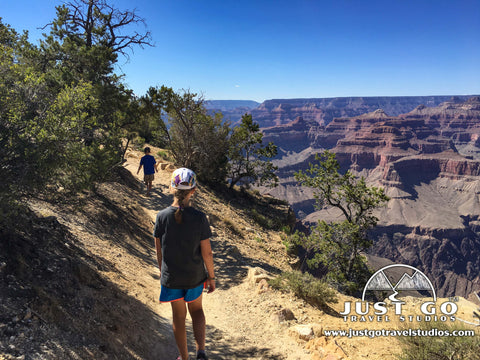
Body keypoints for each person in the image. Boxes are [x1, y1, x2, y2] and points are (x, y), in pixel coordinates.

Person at [153, 167, 215, 360]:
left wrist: (165, 275)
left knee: (179, 318)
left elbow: (159, 252)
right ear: (193, 190)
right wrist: (211, 277)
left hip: (172, 278)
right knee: (197, 311)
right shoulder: (199, 218)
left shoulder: (161, 217)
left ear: (172, 188)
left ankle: (184, 358)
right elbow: (207, 252)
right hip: (195, 276)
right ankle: (201, 352)